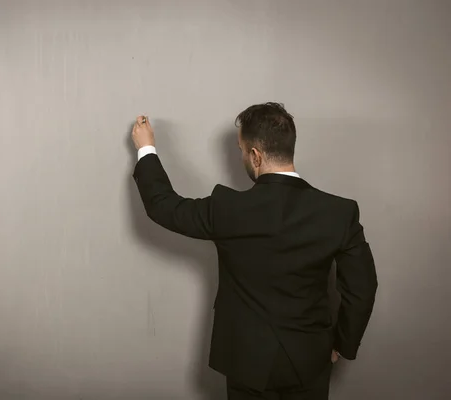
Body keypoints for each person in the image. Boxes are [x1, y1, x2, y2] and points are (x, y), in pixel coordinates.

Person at [130, 103, 378, 400]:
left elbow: (164, 206)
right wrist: (342, 345)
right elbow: (362, 288)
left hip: (247, 363)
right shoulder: (339, 212)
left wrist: (147, 148)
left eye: (241, 150)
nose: (241, 157)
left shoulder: (227, 209)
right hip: (309, 359)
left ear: (256, 155)